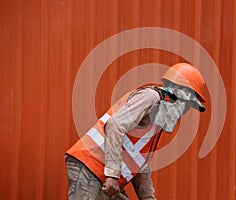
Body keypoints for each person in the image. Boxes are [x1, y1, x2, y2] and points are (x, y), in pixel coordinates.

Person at [65, 63, 207, 200]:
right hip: (90, 167)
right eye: (189, 104)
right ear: (179, 94)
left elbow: (139, 166)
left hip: (103, 175)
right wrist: (113, 175)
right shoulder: (150, 97)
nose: (188, 110)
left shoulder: (157, 123)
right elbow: (114, 125)